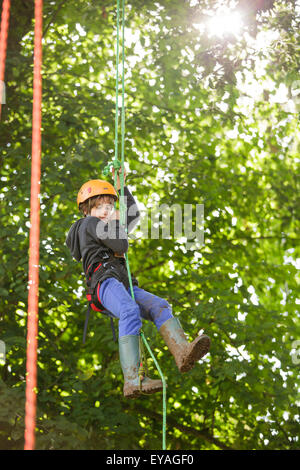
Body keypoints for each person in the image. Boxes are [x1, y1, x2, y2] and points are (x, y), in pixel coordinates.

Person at [66, 168, 211, 398]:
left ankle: (183, 352)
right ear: (87, 210)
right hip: (105, 282)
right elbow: (120, 245)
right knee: (129, 310)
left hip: (123, 285)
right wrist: (113, 221)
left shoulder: (106, 223)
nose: (107, 210)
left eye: (110, 206)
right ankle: (133, 379)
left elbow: (132, 216)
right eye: (100, 206)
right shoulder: (89, 224)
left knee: (160, 305)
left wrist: (121, 186)